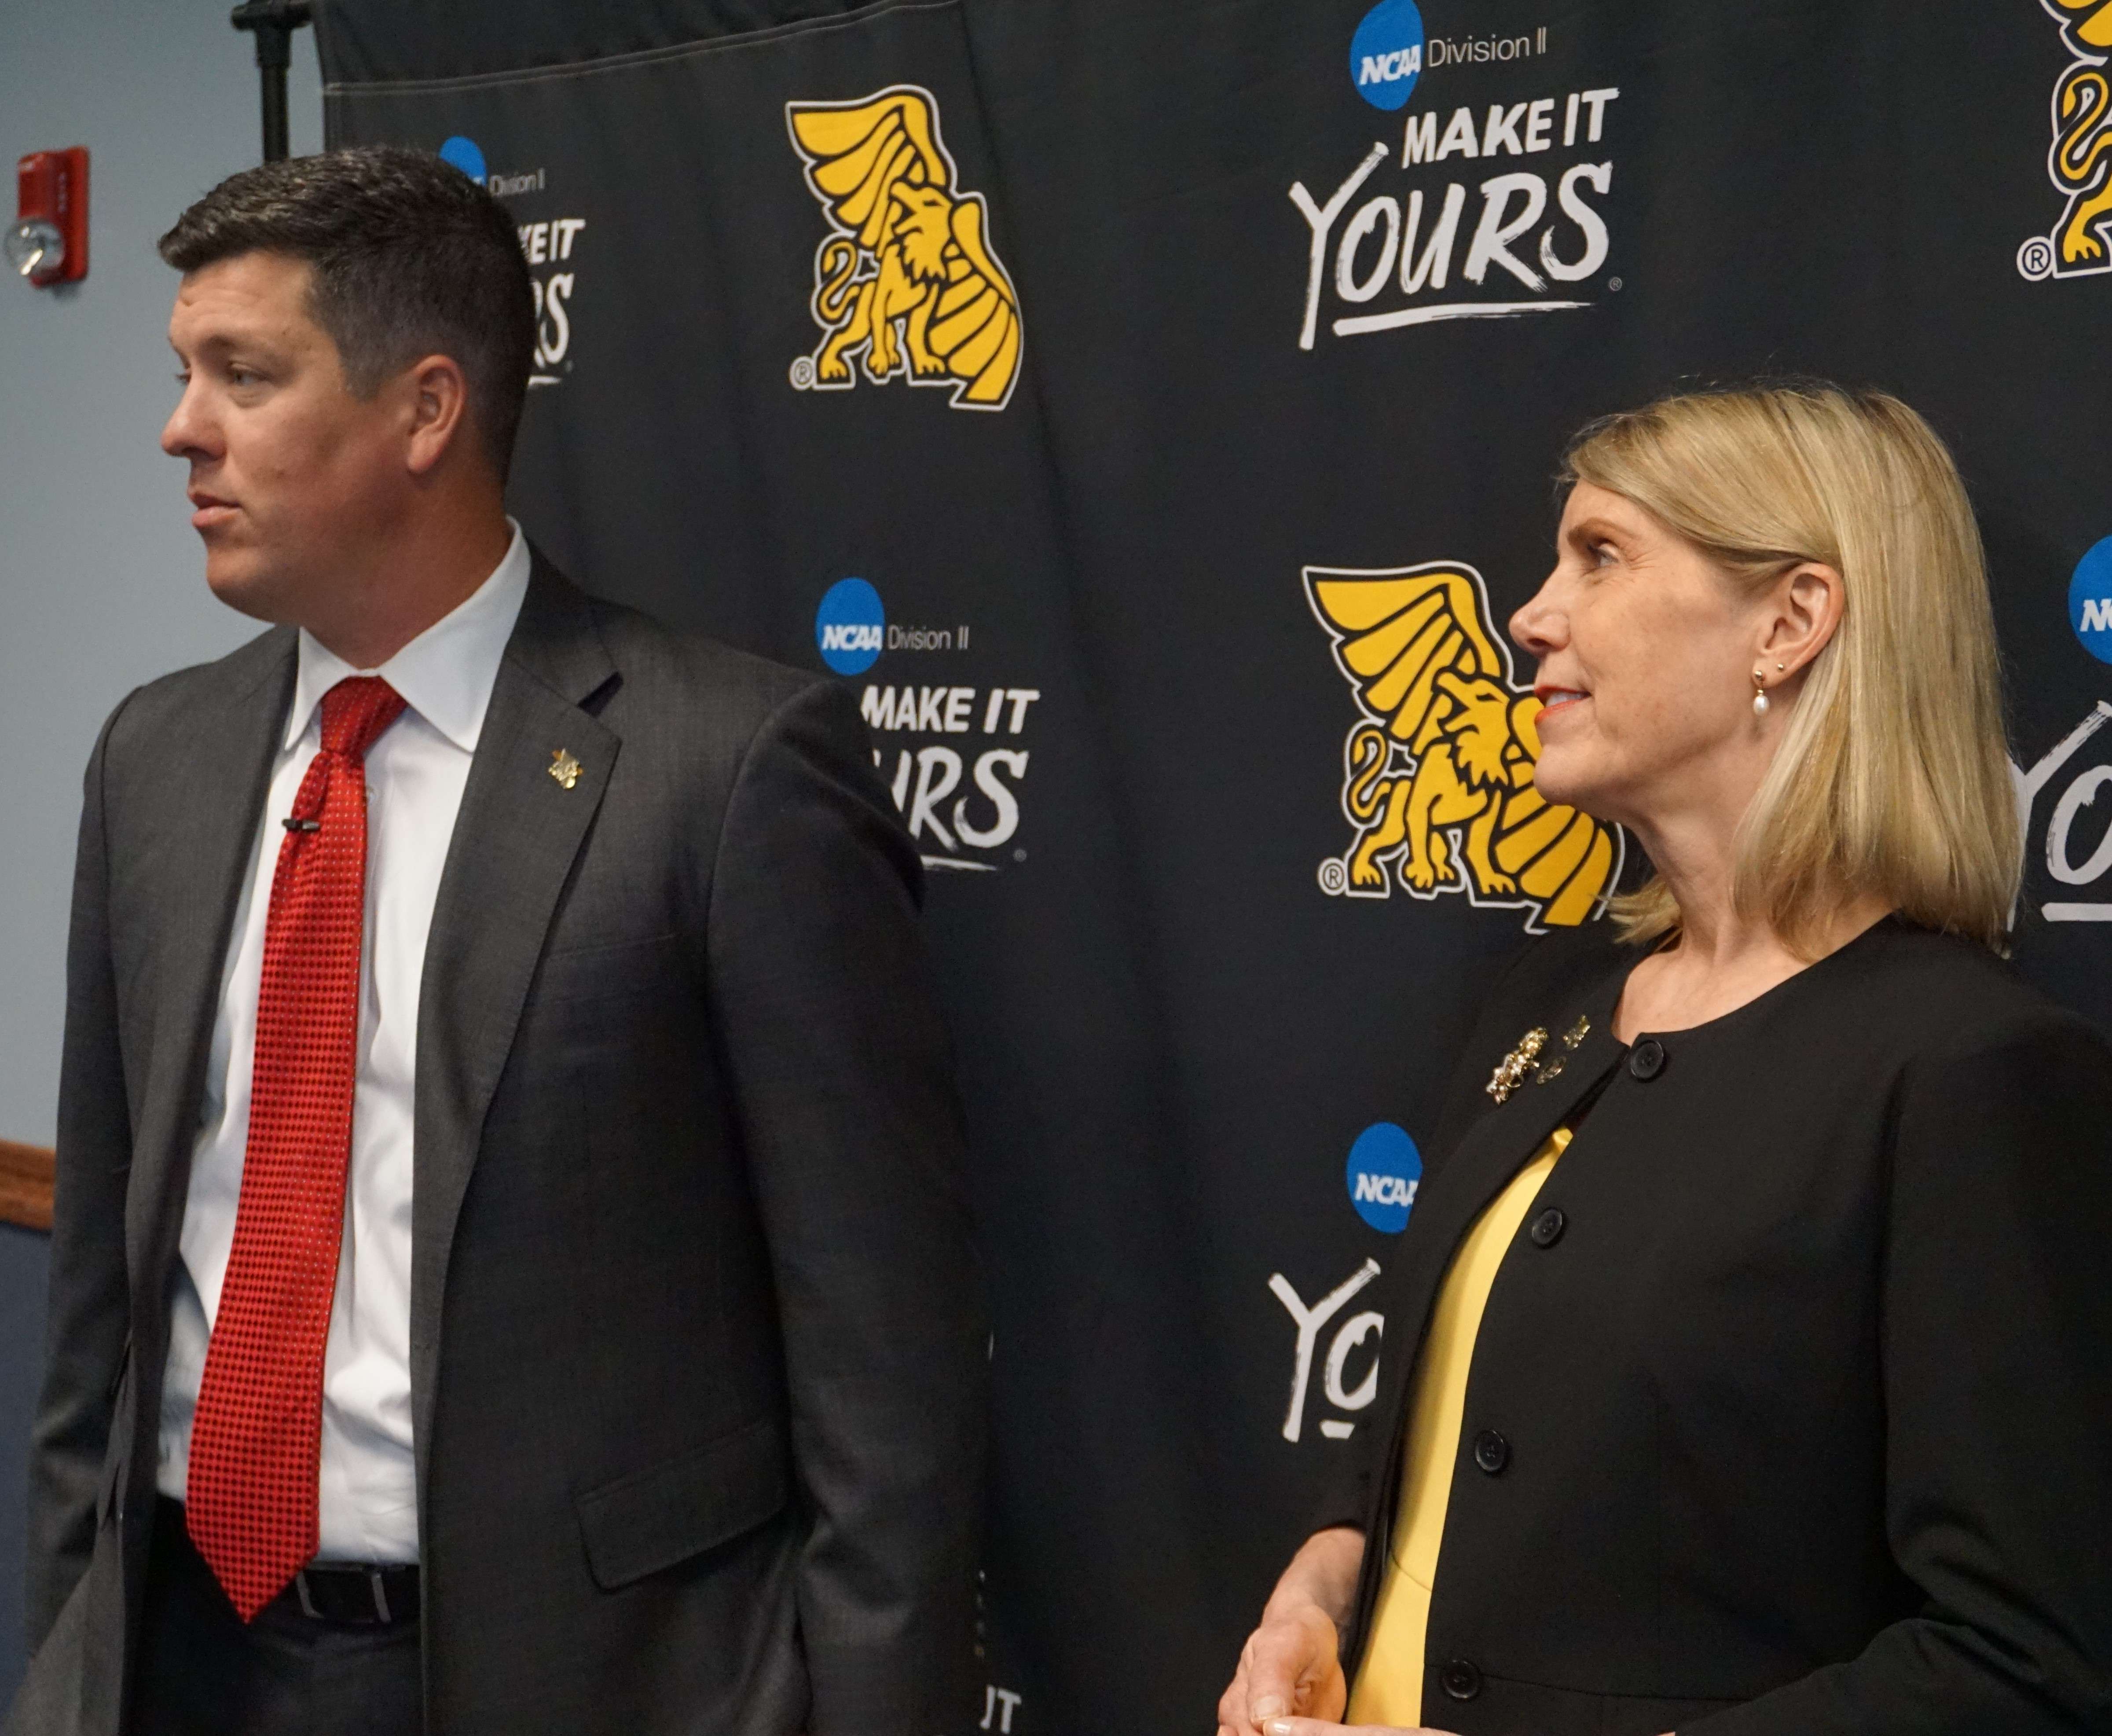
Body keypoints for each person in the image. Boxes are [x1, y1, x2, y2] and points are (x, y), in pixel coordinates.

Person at [9, 147, 986, 1736]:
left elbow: (889, 1377)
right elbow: (94, 1338)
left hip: (560, 1680)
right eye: (186, 371)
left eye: (244, 375)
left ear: (425, 411)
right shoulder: (158, 762)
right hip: (175, 1652)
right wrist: (67, 1660)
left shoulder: (724, 773)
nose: (182, 427)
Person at [1217, 385, 2112, 1736]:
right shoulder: (1547, 1000)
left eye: (1602, 555)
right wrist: (1323, 1581)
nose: (1529, 614)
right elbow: (1459, 1431)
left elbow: (2021, 1663)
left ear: (1791, 621)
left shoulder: (1968, 1072)